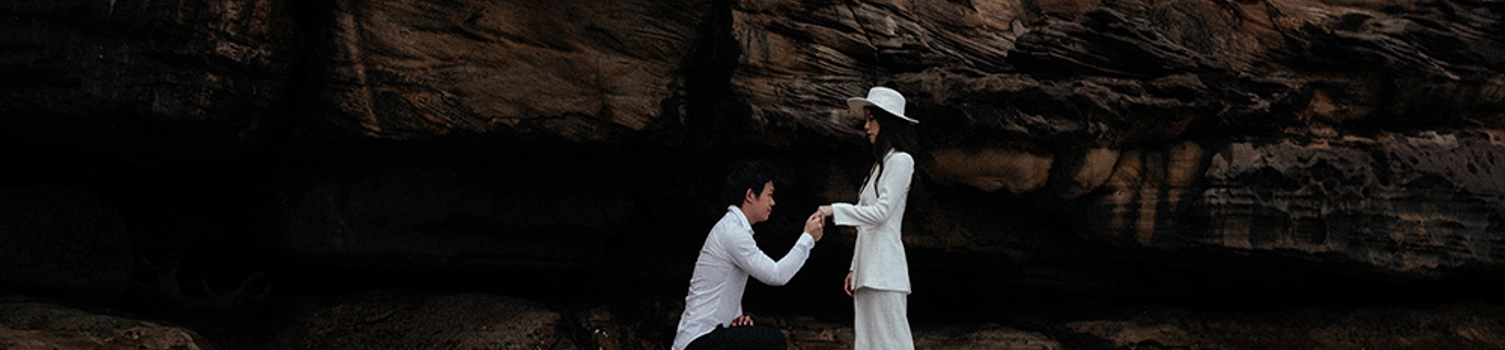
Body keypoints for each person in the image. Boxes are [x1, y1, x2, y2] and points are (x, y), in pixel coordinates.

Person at [673, 161, 827, 350]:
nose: (773, 202)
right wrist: (808, 238)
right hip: (698, 340)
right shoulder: (732, 232)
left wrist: (735, 319)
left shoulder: (733, 228)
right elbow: (776, 275)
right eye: (769, 195)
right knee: (773, 341)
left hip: (706, 336)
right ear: (750, 195)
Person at [816, 86, 919, 350]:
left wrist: (834, 210)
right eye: (867, 119)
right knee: (868, 343)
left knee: (892, 342)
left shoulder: (902, 161)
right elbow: (867, 224)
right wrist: (855, 266)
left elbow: (881, 214)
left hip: (886, 270)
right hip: (869, 270)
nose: (866, 126)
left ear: (888, 122)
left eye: (872, 119)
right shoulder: (878, 166)